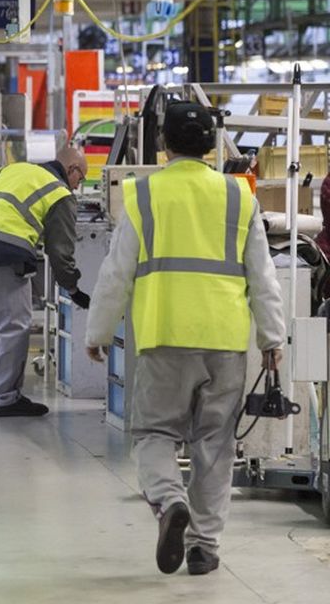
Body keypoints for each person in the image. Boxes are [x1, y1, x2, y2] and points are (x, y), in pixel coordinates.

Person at [85, 101, 284, 576]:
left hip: (163, 334)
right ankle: (204, 547)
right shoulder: (240, 196)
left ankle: (170, 501)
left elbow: (116, 273)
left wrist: (97, 330)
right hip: (225, 340)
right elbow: (264, 276)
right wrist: (272, 338)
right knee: (214, 444)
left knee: (154, 433)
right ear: (213, 145)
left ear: (163, 144)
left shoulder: (143, 195)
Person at [0, 146, 91, 417]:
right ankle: (6, 397)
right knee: (13, 327)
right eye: (80, 179)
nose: (77, 187)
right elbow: (60, 252)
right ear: (71, 170)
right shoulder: (60, 194)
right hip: (5, 254)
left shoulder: (13, 168)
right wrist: (71, 287)